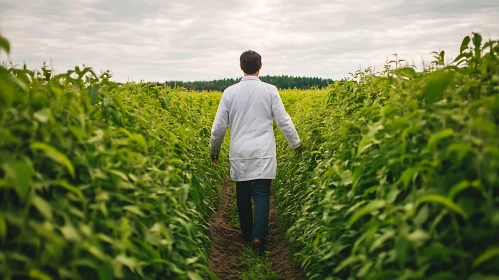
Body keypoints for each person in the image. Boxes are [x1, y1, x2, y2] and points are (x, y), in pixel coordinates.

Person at [210, 50, 302, 252]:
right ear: (260, 67)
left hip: (240, 151)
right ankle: (258, 237)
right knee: (261, 193)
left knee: (242, 193)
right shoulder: (270, 91)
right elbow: (283, 121)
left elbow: (218, 127)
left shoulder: (229, 92)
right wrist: (296, 144)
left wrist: (214, 150)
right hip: (263, 151)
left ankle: (246, 233)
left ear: (241, 67)